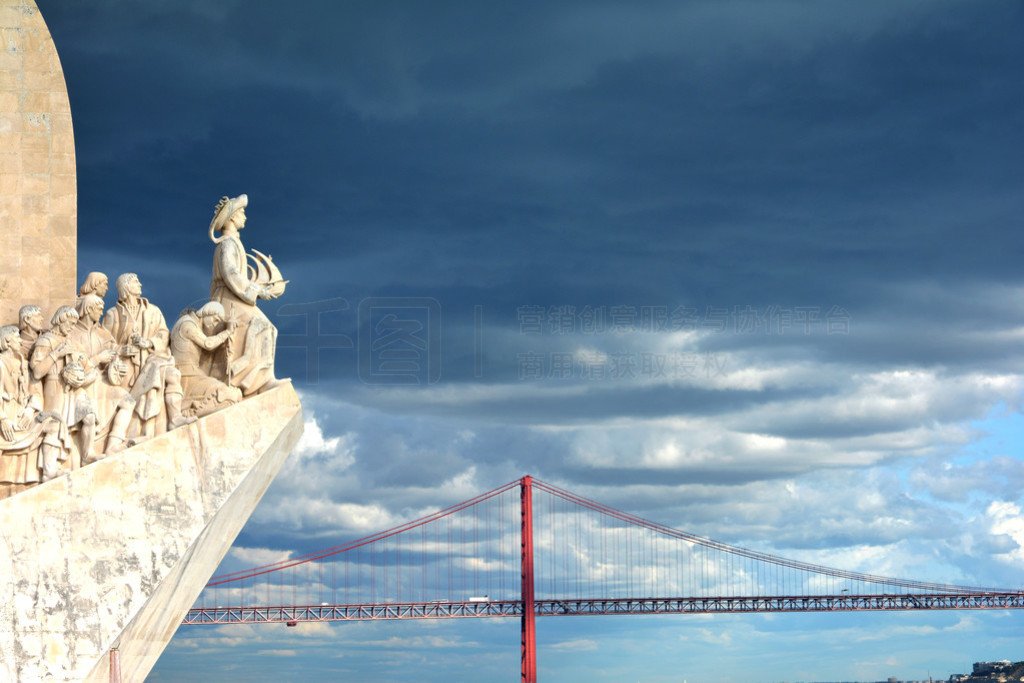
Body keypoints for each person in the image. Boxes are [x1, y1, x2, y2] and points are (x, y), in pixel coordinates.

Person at [209, 194, 286, 396]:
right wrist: (259, 291)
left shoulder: (233, 243)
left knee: (268, 328)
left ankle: (260, 378)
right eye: (242, 213)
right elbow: (231, 273)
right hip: (227, 300)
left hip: (235, 297)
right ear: (233, 217)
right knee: (264, 327)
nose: (245, 217)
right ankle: (254, 380)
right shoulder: (227, 244)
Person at [101, 273, 194, 438]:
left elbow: (164, 333)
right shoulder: (112, 314)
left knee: (172, 374)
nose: (140, 285)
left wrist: (149, 342)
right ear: (126, 287)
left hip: (152, 358)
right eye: (135, 282)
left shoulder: (153, 311)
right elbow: (104, 342)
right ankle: (133, 434)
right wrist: (121, 350)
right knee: (127, 401)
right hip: (127, 366)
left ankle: (175, 418)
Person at [67, 295, 135, 459]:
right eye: (99, 309)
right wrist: (98, 359)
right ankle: (87, 453)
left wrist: (119, 358)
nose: (101, 313)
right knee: (90, 416)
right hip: (83, 384)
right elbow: (72, 365)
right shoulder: (72, 334)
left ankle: (112, 445)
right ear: (89, 309)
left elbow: (113, 349)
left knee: (128, 401)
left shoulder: (102, 333)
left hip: (100, 382)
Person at [0, 325, 62, 496]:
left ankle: (49, 472)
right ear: (6, 341)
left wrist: (30, 409)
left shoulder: (25, 365)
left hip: (23, 415)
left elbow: (35, 391)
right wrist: (3, 419)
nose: (20, 340)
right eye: (16, 337)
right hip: (7, 416)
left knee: (54, 424)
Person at [170, 303, 242, 417]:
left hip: (193, 374)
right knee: (228, 395)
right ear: (207, 312)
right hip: (185, 377)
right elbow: (208, 343)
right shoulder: (187, 324)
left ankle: (193, 409)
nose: (214, 324)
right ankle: (189, 413)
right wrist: (227, 331)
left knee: (234, 395)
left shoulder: (192, 324)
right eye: (215, 319)